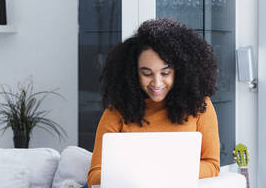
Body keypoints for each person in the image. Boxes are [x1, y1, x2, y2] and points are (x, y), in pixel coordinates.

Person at [87, 18, 220, 188]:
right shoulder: (116, 113)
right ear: (133, 73)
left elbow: (212, 164)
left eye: (165, 73)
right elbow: (94, 176)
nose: (156, 83)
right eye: (147, 73)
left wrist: (163, 175)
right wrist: (139, 177)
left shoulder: (200, 107)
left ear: (180, 71)